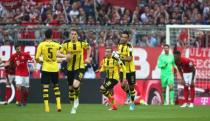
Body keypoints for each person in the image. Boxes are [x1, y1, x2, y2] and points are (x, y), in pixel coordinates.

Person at [35, 29, 66, 112]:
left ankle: (47, 108)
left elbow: (36, 58)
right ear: (52, 36)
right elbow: (62, 51)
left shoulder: (41, 45)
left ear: (45, 36)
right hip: (54, 68)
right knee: (56, 87)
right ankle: (59, 106)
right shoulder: (56, 44)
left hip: (46, 68)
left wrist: (41, 62)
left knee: (45, 88)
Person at [61, 29, 91, 114]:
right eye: (72, 34)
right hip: (70, 69)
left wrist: (88, 57)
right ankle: (73, 96)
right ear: (70, 35)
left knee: (75, 85)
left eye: (75, 34)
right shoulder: (66, 44)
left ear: (77, 35)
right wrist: (65, 56)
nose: (73, 35)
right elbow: (58, 53)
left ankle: (76, 100)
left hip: (80, 67)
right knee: (71, 88)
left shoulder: (81, 43)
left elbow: (89, 48)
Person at [118, 31, 136, 110]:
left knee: (132, 87)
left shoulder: (129, 47)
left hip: (130, 70)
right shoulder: (119, 45)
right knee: (122, 85)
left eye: (125, 37)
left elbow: (130, 58)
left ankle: (132, 103)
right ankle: (128, 94)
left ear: (127, 38)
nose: (123, 38)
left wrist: (120, 58)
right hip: (122, 70)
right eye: (122, 37)